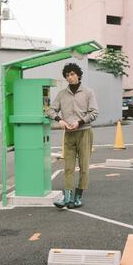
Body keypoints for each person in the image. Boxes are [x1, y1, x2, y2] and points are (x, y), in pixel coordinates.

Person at [47, 62, 99, 209]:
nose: (69, 77)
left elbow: (94, 112)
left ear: (78, 75)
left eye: (72, 74)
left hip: (84, 132)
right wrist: (60, 120)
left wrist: (80, 122)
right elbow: (50, 110)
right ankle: (67, 198)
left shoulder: (88, 92)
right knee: (68, 167)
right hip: (68, 134)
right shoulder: (62, 94)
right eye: (67, 75)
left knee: (84, 167)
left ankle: (77, 197)